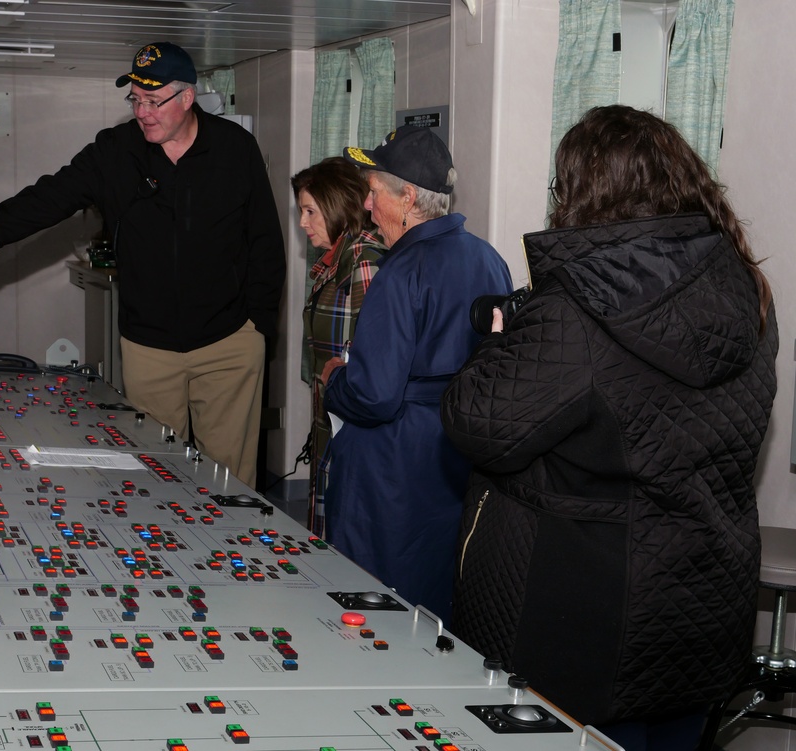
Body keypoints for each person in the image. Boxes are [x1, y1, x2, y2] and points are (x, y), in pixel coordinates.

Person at [440, 105, 778, 751]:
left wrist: (498, 342)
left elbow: (478, 425)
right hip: (702, 589)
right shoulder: (748, 288)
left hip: (586, 609)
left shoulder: (575, 312)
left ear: (580, 193)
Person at [0, 42, 286, 489]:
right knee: (157, 475)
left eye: (153, 101)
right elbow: (52, 195)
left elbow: (266, 243)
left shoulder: (235, 149)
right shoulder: (116, 151)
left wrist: (256, 327)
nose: (142, 112)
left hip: (229, 342)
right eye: (135, 99)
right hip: (149, 345)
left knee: (229, 480)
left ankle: (234, 556)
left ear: (187, 98)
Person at [320, 126, 512, 624]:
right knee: (438, 603)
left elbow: (375, 396)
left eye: (373, 192)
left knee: (372, 606)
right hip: (457, 459)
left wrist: (334, 380)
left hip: (391, 468)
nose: (365, 205)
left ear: (407, 198)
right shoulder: (491, 260)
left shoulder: (400, 275)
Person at [291, 157, 387, 535]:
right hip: (330, 423)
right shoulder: (336, 261)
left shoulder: (363, 263)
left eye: (310, 211)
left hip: (349, 429)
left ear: (337, 207)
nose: (303, 223)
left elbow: (373, 356)